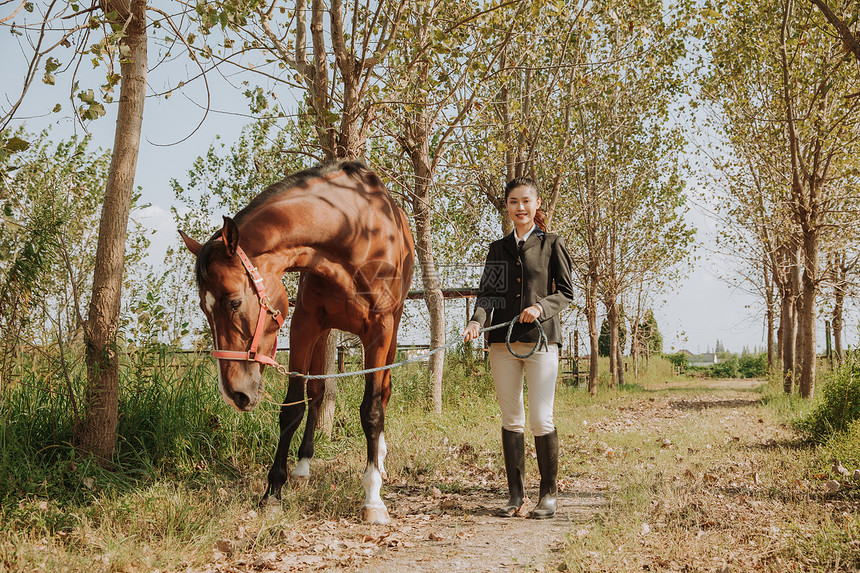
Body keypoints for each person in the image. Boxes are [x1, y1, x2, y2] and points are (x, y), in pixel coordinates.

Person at [463, 177, 574, 519]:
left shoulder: (552, 244)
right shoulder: (498, 248)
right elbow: (488, 296)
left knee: (542, 418)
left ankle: (548, 495)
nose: (520, 207)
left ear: (537, 204)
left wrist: (541, 307)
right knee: (512, 418)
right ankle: (515, 496)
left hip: (541, 341)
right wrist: (476, 321)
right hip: (502, 343)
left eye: (526, 201)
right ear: (507, 206)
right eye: (513, 202)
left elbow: (567, 293)